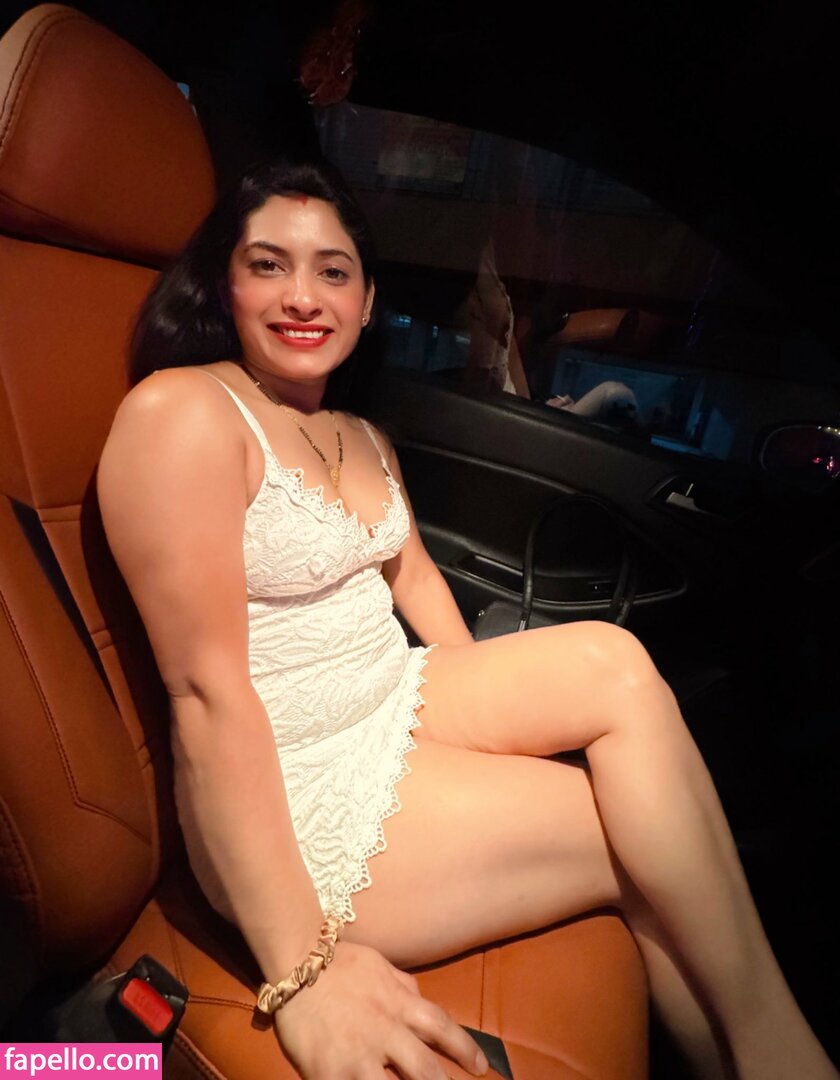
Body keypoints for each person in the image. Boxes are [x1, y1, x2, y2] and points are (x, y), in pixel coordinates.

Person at [97, 158, 837, 1080]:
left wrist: (498, 724)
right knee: (638, 839)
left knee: (613, 660)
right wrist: (301, 972)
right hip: (294, 785)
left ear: (368, 301)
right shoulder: (183, 414)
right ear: (223, 284)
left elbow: (413, 579)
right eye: (268, 265)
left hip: (390, 696)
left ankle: (769, 1050)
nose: (303, 297)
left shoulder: (358, 433)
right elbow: (206, 696)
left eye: (333, 271)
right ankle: (781, 1060)